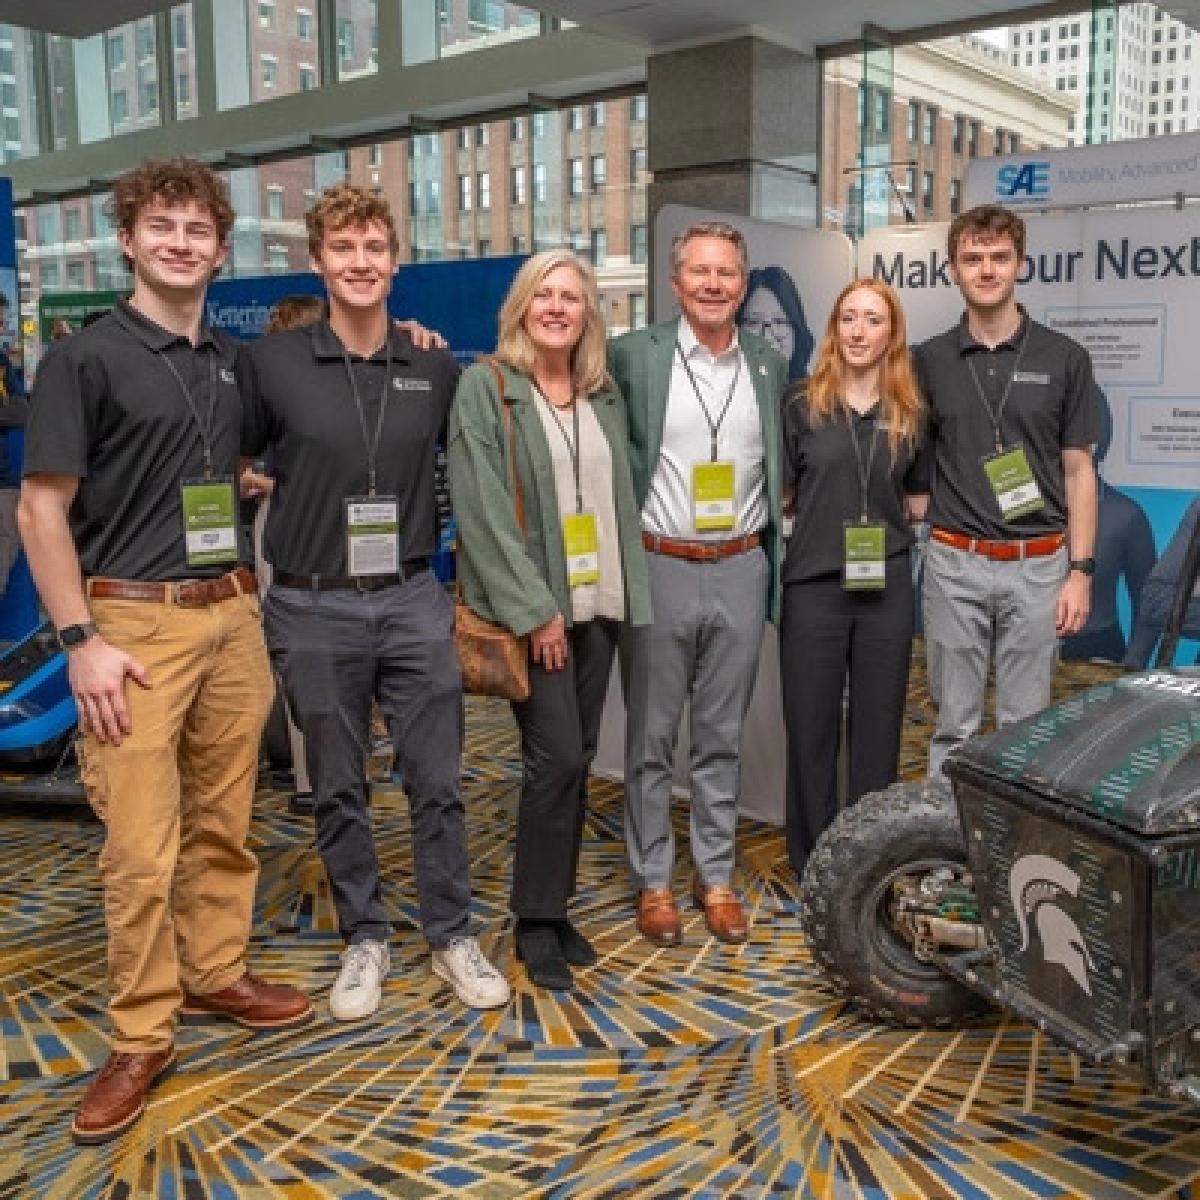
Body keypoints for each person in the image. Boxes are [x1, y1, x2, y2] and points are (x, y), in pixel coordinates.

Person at [17, 158, 313, 1147]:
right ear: (130, 239)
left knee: (225, 821)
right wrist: (80, 643)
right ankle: (142, 1031)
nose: (180, 242)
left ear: (221, 250)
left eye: (197, 229)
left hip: (232, 616)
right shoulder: (85, 357)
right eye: (162, 226)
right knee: (141, 847)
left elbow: (206, 464)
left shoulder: (228, 362)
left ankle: (215, 972)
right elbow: (41, 507)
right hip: (130, 630)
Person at [238, 184, 509, 1022]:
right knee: (338, 786)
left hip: (411, 598)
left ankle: (449, 933)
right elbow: (234, 464)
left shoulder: (430, 363)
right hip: (312, 606)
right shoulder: (272, 364)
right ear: (319, 260)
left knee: (438, 780)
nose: (360, 263)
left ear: (395, 260)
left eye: (374, 248)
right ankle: (365, 935)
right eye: (343, 248)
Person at [448, 250, 651, 991]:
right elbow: (483, 511)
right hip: (538, 613)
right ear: (522, 306)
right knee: (557, 758)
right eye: (546, 295)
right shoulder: (488, 387)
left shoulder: (599, 395)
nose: (558, 308)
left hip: (601, 606)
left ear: (588, 312)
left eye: (572, 297)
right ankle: (534, 918)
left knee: (580, 753)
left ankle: (555, 906)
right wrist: (536, 612)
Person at [609, 221, 787, 946]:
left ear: (742, 285)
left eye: (727, 274)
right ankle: (653, 880)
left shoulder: (768, 366)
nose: (714, 285)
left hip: (743, 564)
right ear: (675, 282)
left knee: (721, 737)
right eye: (700, 272)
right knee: (651, 737)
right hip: (659, 564)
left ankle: (715, 876)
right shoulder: (633, 357)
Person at [915, 204, 1099, 776]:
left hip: (1039, 567)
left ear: (1021, 264)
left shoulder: (1065, 358)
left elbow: (1079, 473)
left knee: (1026, 729)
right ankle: (948, 854)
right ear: (953, 269)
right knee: (954, 727)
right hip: (953, 564)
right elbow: (914, 469)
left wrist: (1081, 571)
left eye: (999, 257)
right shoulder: (927, 360)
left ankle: (1011, 855)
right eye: (972, 258)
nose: (986, 269)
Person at [779, 279, 927, 877]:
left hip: (885, 587)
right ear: (834, 329)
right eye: (848, 318)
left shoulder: (912, 412)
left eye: (873, 319)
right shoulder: (800, 405)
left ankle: (868, 860)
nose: (859, 331)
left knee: (878, 730)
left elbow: (917, 499)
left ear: (892, 332)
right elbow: (786, 494)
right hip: (814, 584)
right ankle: (811, 859)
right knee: (810, 729)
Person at [241, 294, 325, 810]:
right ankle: (307, 774)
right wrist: (264, 483)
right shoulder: (271, 384)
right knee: (296, 645)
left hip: (323, 524)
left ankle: (314, 771)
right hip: (283, 519)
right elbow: (240, 461)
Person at [737, 265, 814, 384]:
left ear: (797, 330)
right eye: (753, 322)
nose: (767, 337)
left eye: (779, 321)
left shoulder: (818, 399)